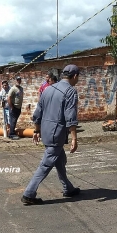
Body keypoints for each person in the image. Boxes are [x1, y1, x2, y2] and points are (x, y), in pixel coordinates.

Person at [21, 64, 81, 205]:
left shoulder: (47, 90)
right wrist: (74, 138)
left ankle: (68, 188)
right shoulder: (70, 91)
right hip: (56, 134)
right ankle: (29, 193)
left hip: (47, 132)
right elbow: (70, 116)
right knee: (46, 164)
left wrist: (37, 130)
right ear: (75, 76)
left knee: (60, 161)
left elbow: (37, 114)